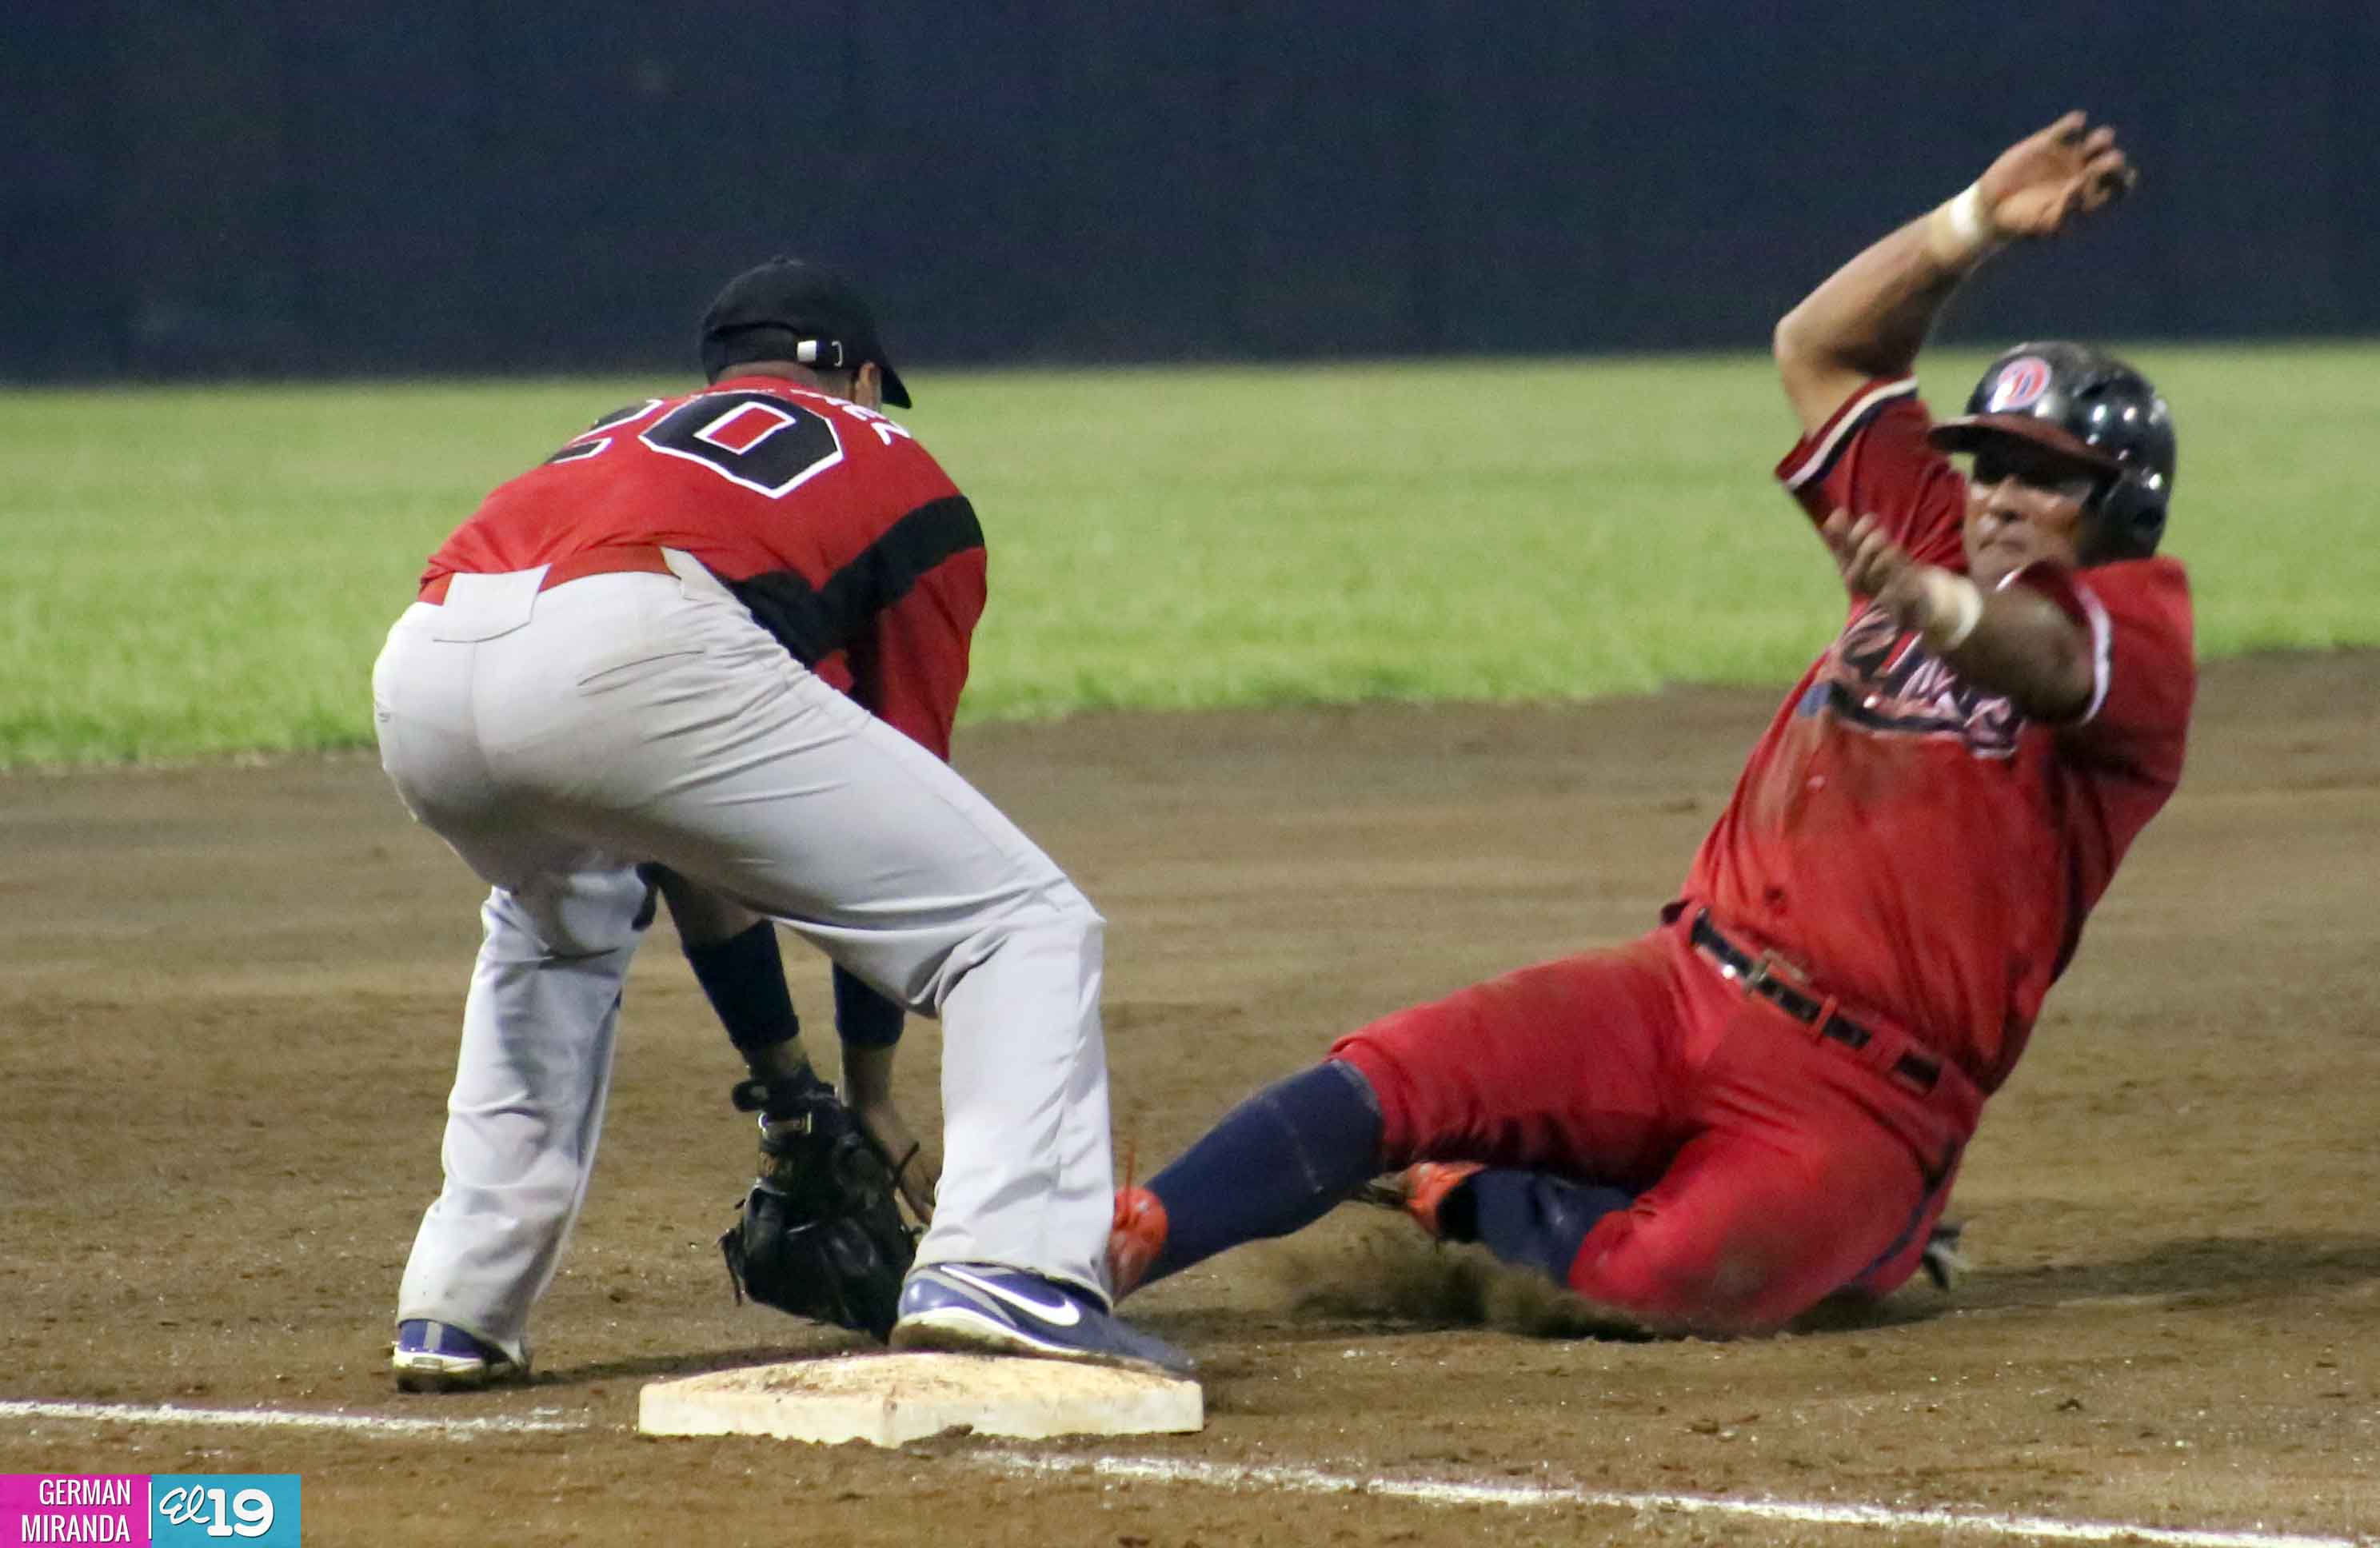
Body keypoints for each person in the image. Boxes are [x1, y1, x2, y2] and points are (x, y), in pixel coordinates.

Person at [1107, 113, 2193, 1336]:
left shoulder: (2137, 636)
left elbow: (2047, 660)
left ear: (2122, 511)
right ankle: (1120, 1245)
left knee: (1667, 1281)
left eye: (2045, 476)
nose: (1999, 496)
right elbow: (1821, 348)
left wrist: (1929, 602)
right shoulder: (1927, 533)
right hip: (1682, 987)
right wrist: (1973, 223)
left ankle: (1492, 1198)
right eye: (1988, 463)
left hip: (1860, 1102)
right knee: (1389, 1074)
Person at [373, 257, 1187, 1390]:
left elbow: (691, 839)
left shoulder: (618, 433)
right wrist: (871, 1089)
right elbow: (901, 802)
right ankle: (1008, 1268)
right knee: (1021, 925)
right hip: (638, 643)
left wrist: (794, 1094)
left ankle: (458, 1307)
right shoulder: (898, 465)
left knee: (557, 926)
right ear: (862, 380)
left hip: (425, 668)